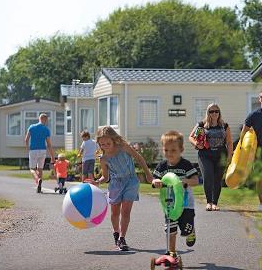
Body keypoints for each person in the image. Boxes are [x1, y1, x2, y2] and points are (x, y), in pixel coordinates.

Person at [86, 126, 153, 251]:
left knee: (126, 211)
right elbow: (106, 177)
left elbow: (139, 158)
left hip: (131, 181)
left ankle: (122, 238)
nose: (105, 146)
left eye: (108, 143)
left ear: (114, 140)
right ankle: (116, 233)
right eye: (102, 144)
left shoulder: (123, 147)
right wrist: (97, 181)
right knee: (115, 212)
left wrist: (148, 174)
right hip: (115, 184)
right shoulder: (103, 158)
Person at [152, 130, 199, 258]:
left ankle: (190, 232)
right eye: (166, 150)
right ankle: (172, 253)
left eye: (173, 150)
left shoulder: (186, 165)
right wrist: (156, 181)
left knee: (185, 229)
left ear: (181, 149)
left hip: (185, 204)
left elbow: (196, 181)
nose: (169, 153)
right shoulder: (162, 166)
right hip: (169, 205)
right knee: (170, 230)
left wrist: (184, 181)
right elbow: (154, 179)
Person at [189, 103, 232, 211]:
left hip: (221, 154)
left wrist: (230, 156)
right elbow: (191, 137)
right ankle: (209, 202)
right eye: (211, 111)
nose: (214, 113)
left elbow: (229, 142)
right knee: (208, 176)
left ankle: (215, 203)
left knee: (217, 179)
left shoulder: (224, 125)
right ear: (208, 113)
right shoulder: (202, 124)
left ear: (219, 113)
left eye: (216, 111)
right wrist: (196, 144)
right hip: (205, 154)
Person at [24, 113, 55, 193]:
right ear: (45, 120)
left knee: (32, 169)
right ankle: (39, 185)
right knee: (40, 169)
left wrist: (27, 148)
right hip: (42, 150)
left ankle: (37, 179)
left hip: (33, 150)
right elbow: (49, 144)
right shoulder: (46, 129)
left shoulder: (31, 127)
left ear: (39, 118)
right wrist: (52, 156)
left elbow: (26, 139)